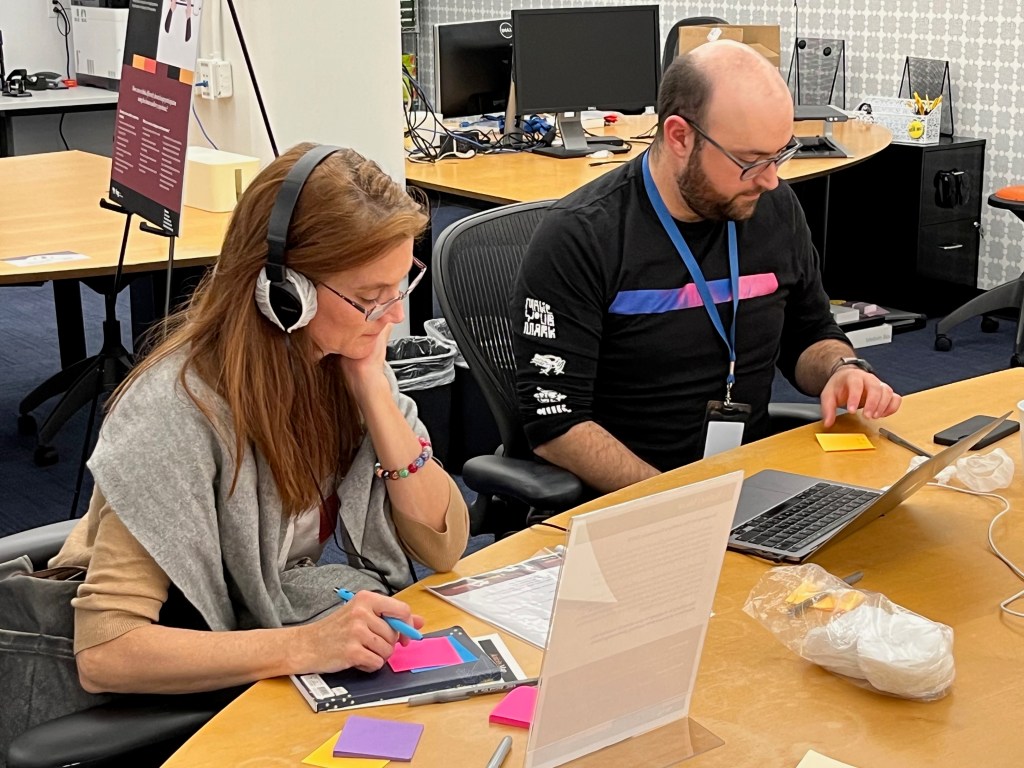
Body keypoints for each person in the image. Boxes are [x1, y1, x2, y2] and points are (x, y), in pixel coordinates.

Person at [45, 144, 469, 697]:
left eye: (400, 286)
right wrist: (306, 645)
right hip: (177, 669)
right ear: (285, 295)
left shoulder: (339, 359)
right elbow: (107, 654)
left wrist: (372, 388)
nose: (394, 315)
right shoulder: (175, 412)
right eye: (371, 297)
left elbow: (442, 547)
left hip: (262, 630)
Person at [511, 40, 901, 495]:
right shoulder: (581, 236)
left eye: (780, 154)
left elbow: (809, 333)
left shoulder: (774, 208)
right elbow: (558, 426)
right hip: (628, 500)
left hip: (748, 484)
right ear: (680, 136)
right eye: (750, 161)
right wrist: (680, 502)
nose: (771, 179)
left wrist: (842, 369)